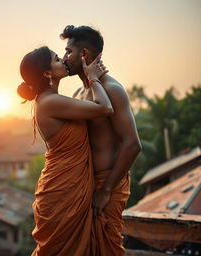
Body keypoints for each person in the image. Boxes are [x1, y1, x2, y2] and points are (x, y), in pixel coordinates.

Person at [17, 46, 113, 255]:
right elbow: (105, 108)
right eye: (57, 59)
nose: (64, 61)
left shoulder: (51, 100)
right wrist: (93, 78)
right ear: (46, 73)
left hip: (67, 182)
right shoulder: (51, 102)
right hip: (64, 186)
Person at [61, 25, 142, 255]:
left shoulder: (112, 89)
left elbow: (132, 144)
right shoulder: (78, 93)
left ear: (84, 54)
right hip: (84, 186)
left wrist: (106, 190)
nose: (65, 58)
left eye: (68, 52)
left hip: (108, 186)